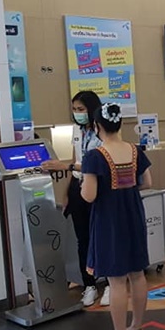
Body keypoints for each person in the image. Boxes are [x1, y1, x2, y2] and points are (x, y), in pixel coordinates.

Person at [81, 103, 152, 330]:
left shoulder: (94, 156)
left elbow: (89, 195)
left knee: (117, 280)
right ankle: (137, 325)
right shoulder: (135, 150)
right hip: (134, 215)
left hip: (109, 220)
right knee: (137, 274)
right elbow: (147, 182)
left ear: (97, 126)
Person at [41, 91, 106, 307]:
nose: (77, 113)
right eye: (74, 109)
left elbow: (99, 163)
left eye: (81, 109)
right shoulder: (77, 131)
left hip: (98, 188)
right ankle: (89, 285)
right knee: (82, 239)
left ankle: (109, 283)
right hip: (78, 187)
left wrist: (66, 166)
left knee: (102, 237)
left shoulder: (102, 131)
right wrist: (66, 192)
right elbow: (75, 159)